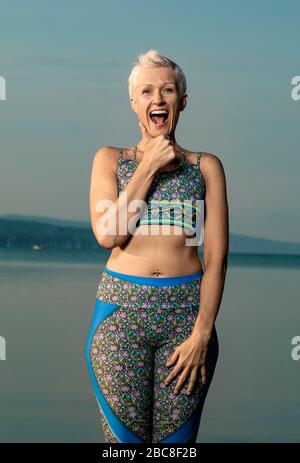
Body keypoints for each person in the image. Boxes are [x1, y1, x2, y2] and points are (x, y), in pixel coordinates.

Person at [85, 49, 229, 444]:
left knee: (175, 448)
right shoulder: (111, 160)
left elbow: (215, 260)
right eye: (146, 91)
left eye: (167, 90)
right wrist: (148, 166)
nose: (157, 99)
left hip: (186, 322)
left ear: (182, 101)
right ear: (134, 103)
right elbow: (108, 234)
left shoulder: (206, 167)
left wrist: (202, 333)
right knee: (123, 447)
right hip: (120, 318)